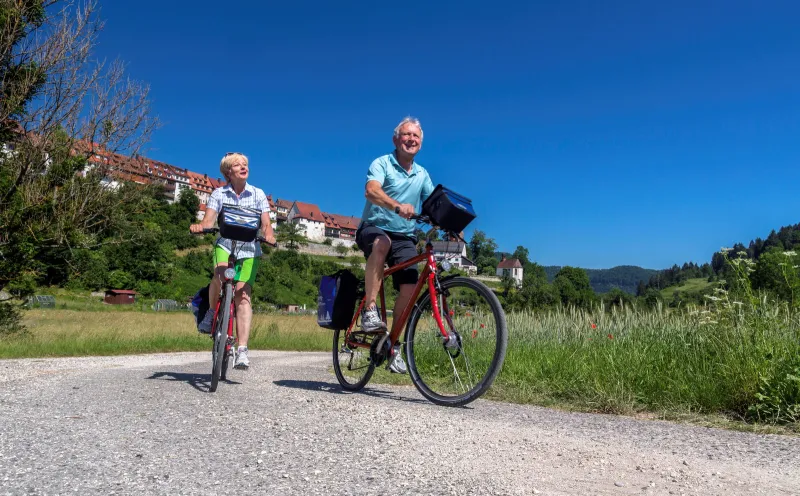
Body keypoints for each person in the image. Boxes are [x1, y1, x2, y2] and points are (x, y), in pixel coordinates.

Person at [356, 117, 435, 374]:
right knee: (381, 243)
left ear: (420, 144)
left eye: (416, 137)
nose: (411, 139)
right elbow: (371, 191)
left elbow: (433, 204)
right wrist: (397, 206)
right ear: (395, 140)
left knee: (411, 288)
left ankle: (393, 344)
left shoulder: (422, 174)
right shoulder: (382, 163)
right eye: (406, 135)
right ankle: (369, 310)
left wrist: (451, 221)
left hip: (404, 236)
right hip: (374, 227)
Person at [190, 152, 275, 370]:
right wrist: (202, 226)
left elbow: (266, 223)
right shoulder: (219, 193)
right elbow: (209, 218)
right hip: (225, 244)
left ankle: (243, 350)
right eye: (238, 164)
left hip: (249, 249)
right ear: (229, 171)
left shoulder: (258, 194)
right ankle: (210, 313)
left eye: (245, 163)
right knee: (218, 276)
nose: (243, 166)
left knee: (243, 296)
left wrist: (269, 235)